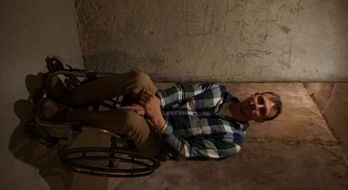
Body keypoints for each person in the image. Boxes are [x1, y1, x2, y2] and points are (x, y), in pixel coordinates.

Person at [43, 71, 282, 160]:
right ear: (256, 94)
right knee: (140, 79)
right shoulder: (217, 90)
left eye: (262, 111)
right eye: (260, 100)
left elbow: (187, 151)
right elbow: (180, 91)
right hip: (158, 108)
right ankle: (71, 96)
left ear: (260, 121)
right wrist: (153, 103)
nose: (257, 106)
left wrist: (157, 119)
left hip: (159, 142)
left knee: (129, 121)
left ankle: (67, 115)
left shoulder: (233, 143)